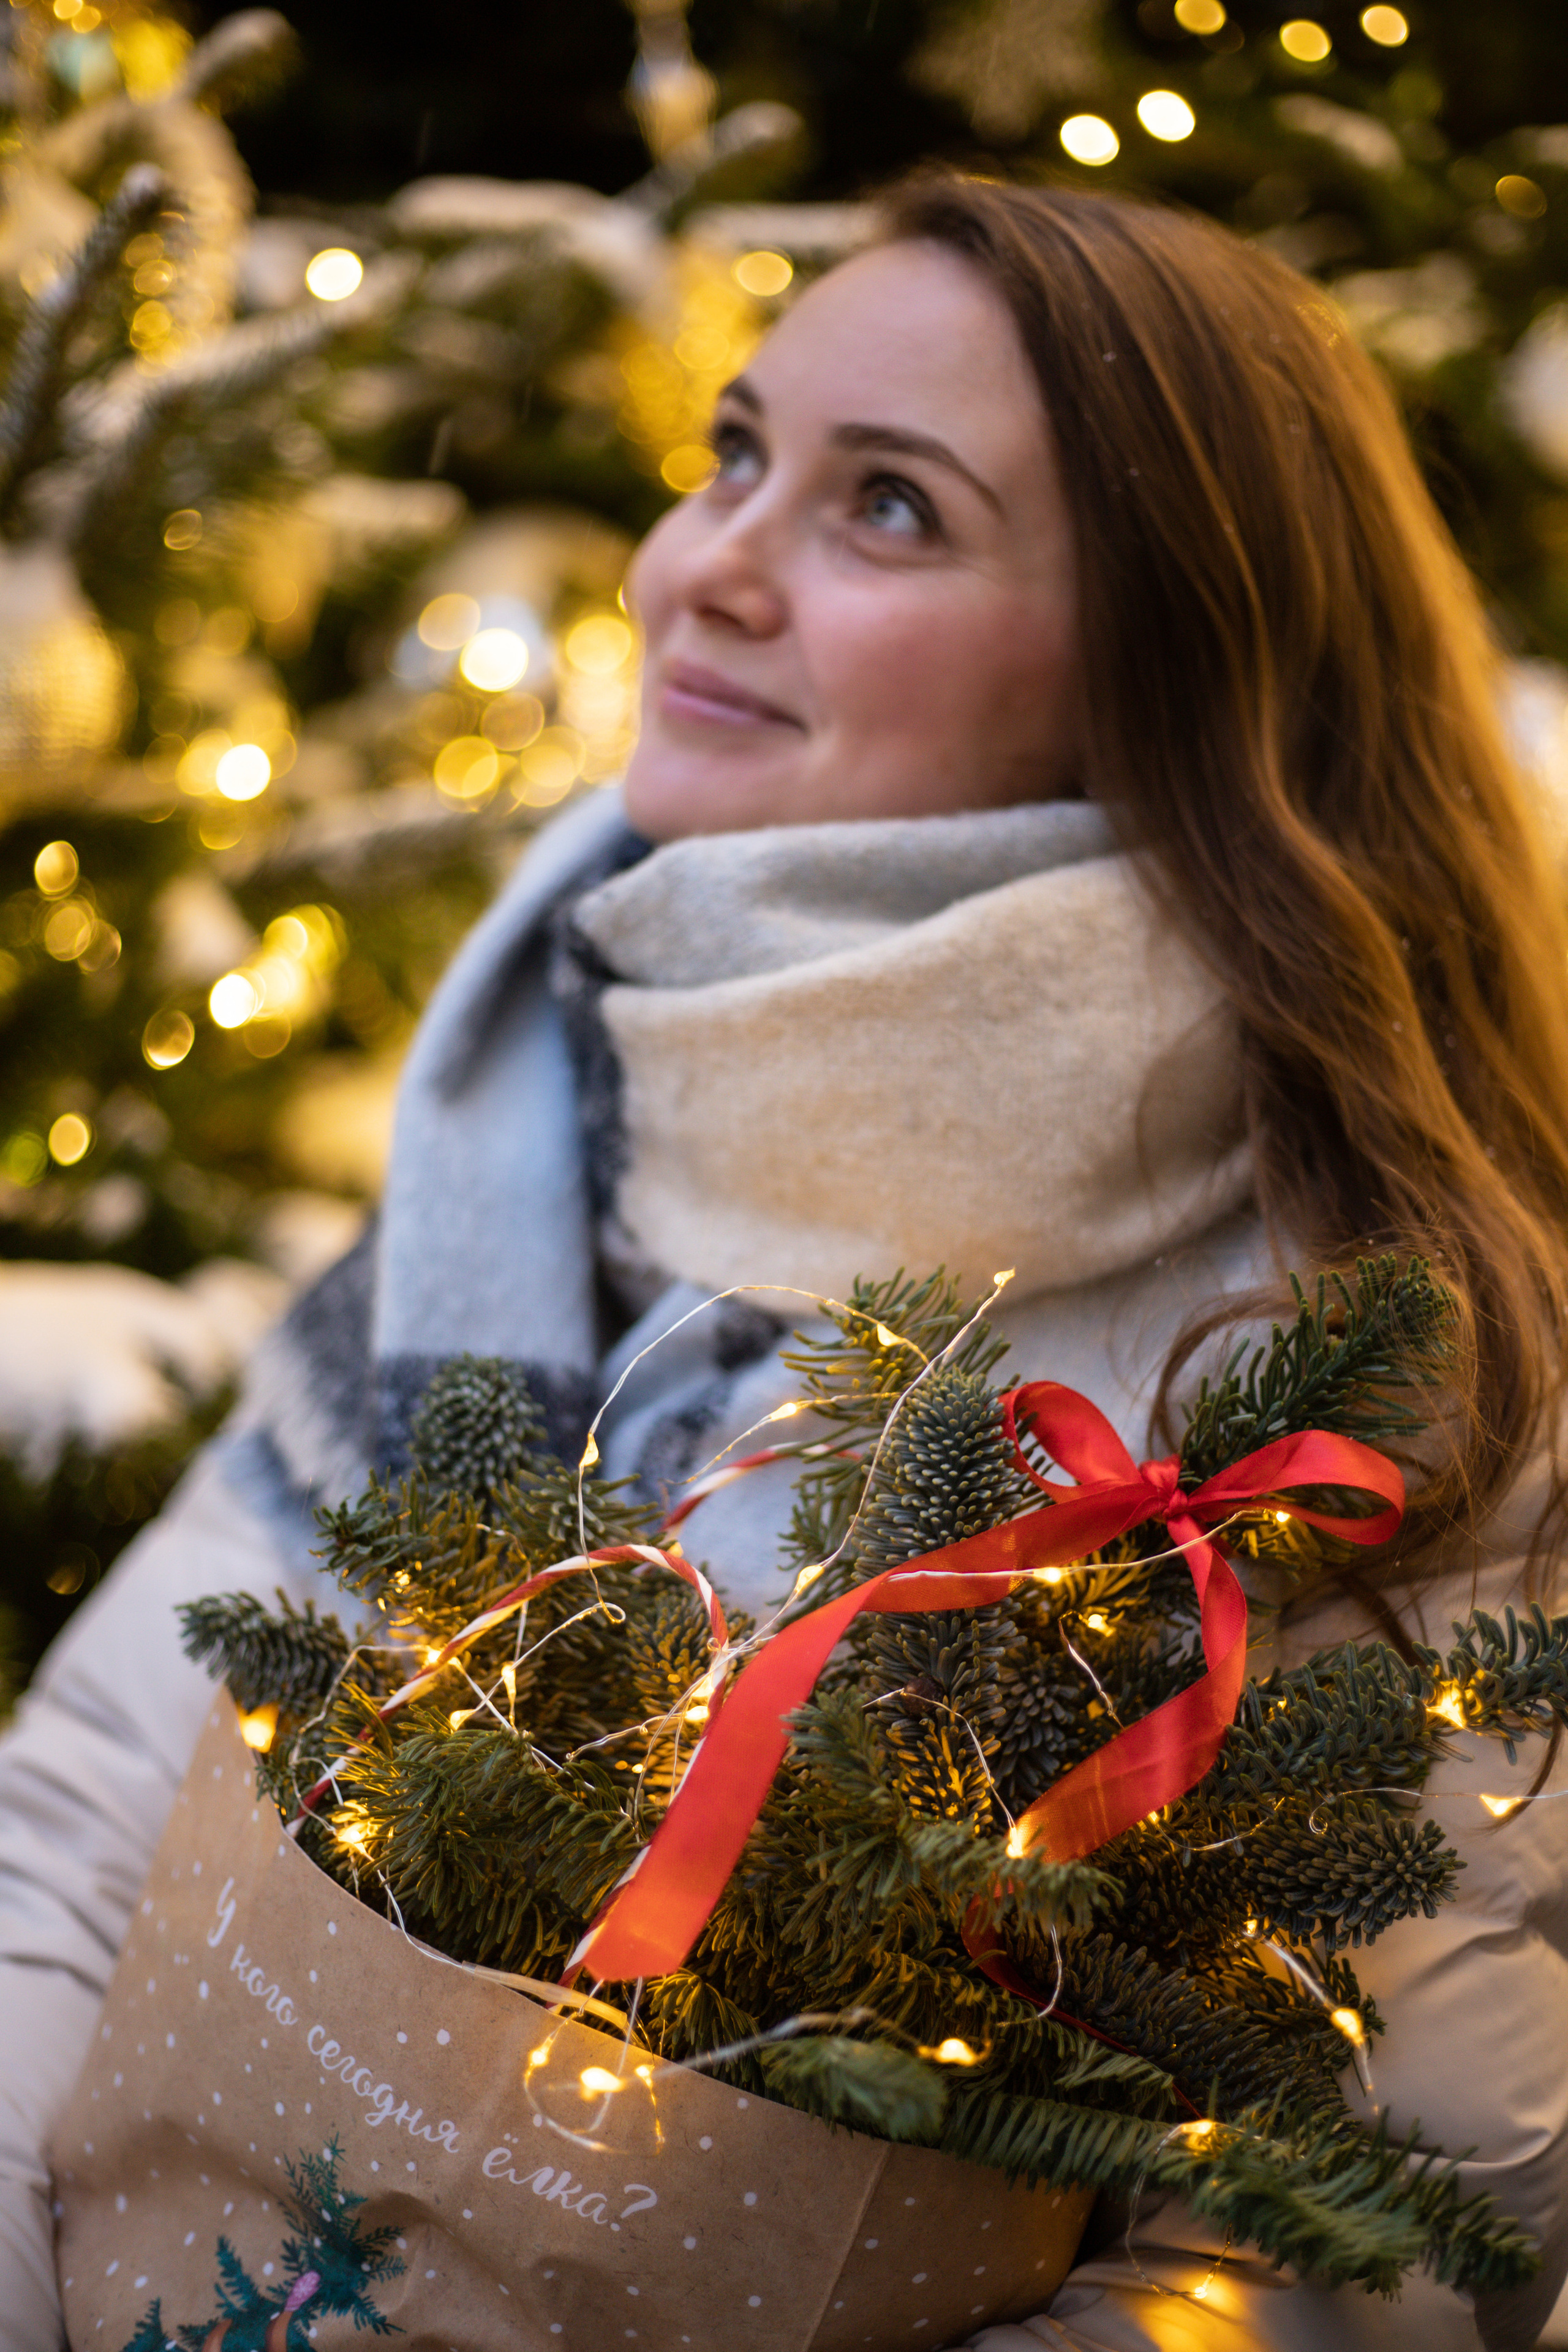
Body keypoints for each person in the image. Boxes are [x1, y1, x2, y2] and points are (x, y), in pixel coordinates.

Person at [5, 170, 1568, 2352]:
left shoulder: (1380, 1343)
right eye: (735, 453)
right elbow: (85, 1816)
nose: (698, 568)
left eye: (890, 509)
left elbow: (1393, 2233)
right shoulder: (549, 1098)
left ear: (1178, 672)